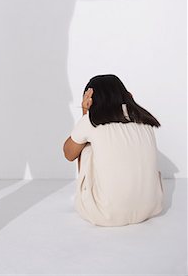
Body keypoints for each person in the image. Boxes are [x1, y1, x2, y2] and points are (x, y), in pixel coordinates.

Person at [63, 74, 164, 226]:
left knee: (86, 147)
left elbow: (69, 153)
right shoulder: (144, 119)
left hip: (105, 215)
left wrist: (85, 112)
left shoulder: (91, 121)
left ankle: (89, 198)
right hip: (151, 207)